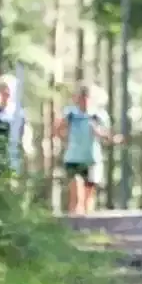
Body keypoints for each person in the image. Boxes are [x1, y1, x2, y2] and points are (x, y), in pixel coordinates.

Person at [55, 84, 120, 215]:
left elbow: (107, 137)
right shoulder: (70, 113)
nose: (84, 100)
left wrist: (99, 132)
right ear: (76, 98)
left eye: (86, 97)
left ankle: (88, 225)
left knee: (88, 196)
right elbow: (58, 129)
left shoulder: (99, 115)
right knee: (75, 195)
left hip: (91, 158)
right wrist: (63, 136)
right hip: (73, 157)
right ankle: (73, 227)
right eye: (81, 97)